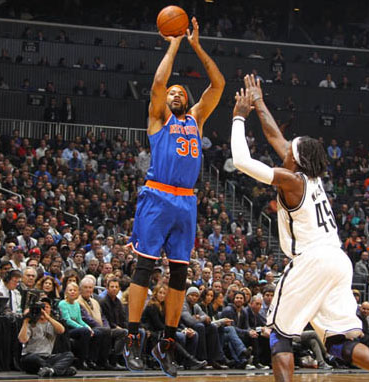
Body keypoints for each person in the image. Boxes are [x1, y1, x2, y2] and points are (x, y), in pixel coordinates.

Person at [230, 74, 369, 382]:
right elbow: (277, 138)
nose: (285, 151)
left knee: (279, 334)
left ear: (297, 159)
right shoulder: (311, 178)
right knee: (337, 343)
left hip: (313, 260)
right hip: (338, 261)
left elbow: (240, 160)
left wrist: (240, 116)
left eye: (290, 151)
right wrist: (259, 102)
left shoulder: (292, 181)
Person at [124, 16, 224, 377]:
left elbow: (218, 83)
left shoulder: (196, 119)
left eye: (181, 91)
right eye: (171, 93)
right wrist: (175, 43)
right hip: (158, 196)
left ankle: (166, 343)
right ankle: (132, 338)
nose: (175, 92)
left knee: (180, 273)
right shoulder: (157, 119)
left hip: (186, 201)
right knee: (146, 266)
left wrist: (197, 45)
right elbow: (158, 82)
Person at [18, 297, 76, 377]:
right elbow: (22, 340)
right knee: (33, 358)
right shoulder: (30, 323)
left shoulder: (52, 323)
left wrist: (47, 317)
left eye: (46, 307)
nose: (43, 309)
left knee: (69, 355)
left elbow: (62, 330)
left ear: (50, 309)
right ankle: (59, 370)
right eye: (42, 307)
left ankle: (50, 370)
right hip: (31, 357)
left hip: (47, 357)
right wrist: (25, 321)